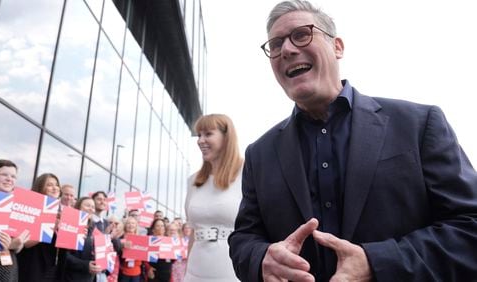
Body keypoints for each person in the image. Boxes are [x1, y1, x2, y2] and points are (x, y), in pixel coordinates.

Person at [228, 1, 477, 281]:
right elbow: (244, 239)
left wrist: (378, 263)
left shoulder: (419, 125)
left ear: (338, 47)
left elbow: (470, 227)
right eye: (275, 44)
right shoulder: (260, 154)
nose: (286, 49)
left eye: (301, 34)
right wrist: (262, 259)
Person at [183, 113, 244, 282]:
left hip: (234, 268)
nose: (201, 140)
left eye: (208, 134)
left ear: (227, 137)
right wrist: (186, 271)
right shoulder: (193, 181)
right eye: (199, 135)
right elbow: (193, 232)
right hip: (195, 271)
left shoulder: (247, 173)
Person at [18, 173, 64, 282]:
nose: (55, 188)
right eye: (49, 185)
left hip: (53, 268)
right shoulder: (30, 207)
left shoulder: (60, 211)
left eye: (56, 184)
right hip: (32, 265)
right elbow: (25, 243)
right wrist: (51, 227)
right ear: (40, 187)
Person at [63, 197, 102, 282]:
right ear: (78, 207)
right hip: (70, 278)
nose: (91, 209)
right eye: (88, 205)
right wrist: (86, 265)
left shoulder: (94, 229)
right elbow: (63, 255)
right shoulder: (69, 224)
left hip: (89, 278)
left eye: (93, 207)